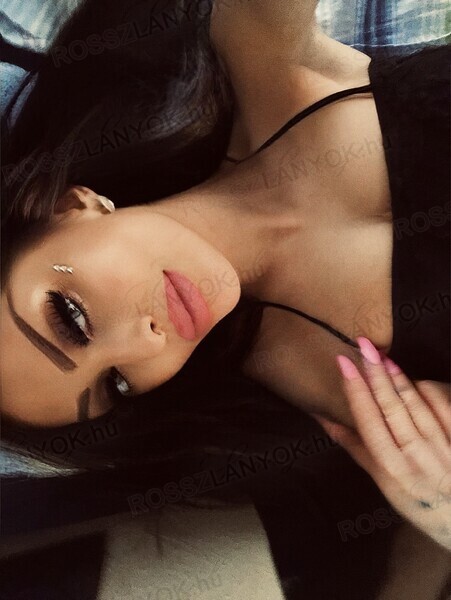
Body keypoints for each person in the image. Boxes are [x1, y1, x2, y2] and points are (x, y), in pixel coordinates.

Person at [1, 0, 450, 556]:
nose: (146, 346)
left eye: (72, 318)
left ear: (68, 206)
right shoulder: (347, 395)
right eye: (117, 382)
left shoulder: (256, 54)